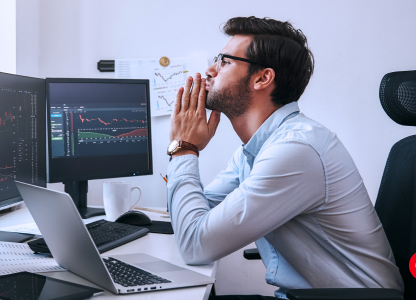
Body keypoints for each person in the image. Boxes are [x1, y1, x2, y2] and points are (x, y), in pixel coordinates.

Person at [166, 16, 403, 299]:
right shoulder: (258, 148)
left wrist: (184, 148)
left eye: (224, 62)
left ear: (262, 78)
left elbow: (196, 246)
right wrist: (184, 148)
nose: (210, 70)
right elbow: (195, 216)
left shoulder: (296, 151)